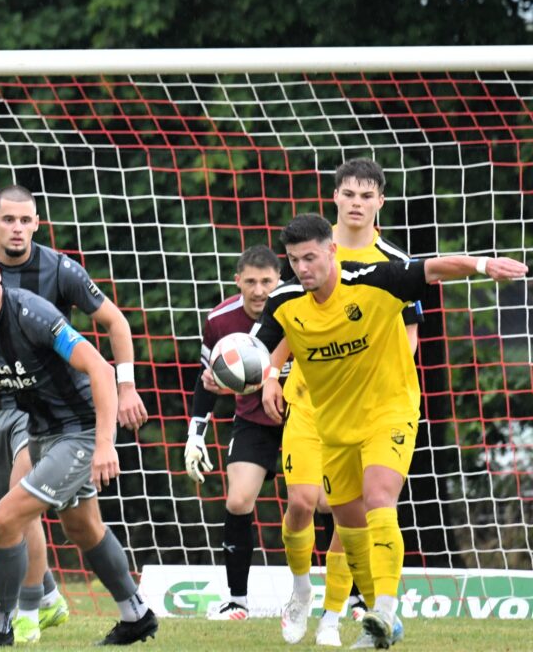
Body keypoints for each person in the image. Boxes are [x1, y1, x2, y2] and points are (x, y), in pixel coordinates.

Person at [255, 213, 526, 649]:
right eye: (294, 260)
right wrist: (236, 373)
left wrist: (483, 266)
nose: (303, 268)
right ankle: (379, 624)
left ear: (331, 252)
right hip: (333, 424)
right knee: (351, 525)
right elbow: (257, 351)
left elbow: (433, 268)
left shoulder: (375, 279)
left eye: (310, 258)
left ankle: (383, 607)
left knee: (380, 496)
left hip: (389, 408)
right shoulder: (285, 302)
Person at [0, 185, 146, 640]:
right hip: (41, 428)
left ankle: (1, 624)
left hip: (79, 428)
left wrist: (104, 442)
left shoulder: (32, 309)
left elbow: (98, 367)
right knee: (82, 526)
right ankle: (137, 615)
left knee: (8, 515)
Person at [272, 159, 423, 647]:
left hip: (368, 408)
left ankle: (342, 614)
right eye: (348, 194)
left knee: (351, 514)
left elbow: (409, 334)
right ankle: (302, 592)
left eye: (367, 195)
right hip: (310, 402)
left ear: (380, 202)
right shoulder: (306, 250)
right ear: (334, 197)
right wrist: (271, 373)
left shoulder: (389, 261)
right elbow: (287, 321)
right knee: (300, 501)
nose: (356, 203)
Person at [183, 245, 284, 621]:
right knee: (238, 501)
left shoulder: (296, 307)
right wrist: (196, 435)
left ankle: (350, 599)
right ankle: (237, 601)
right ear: (237, 281)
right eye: (252, 282)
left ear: (279, 281)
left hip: (302, 415)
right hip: (254, 419)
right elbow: (207, 381)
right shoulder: (219, 320)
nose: (259, 291)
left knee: (320, 503)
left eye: (267, 282)